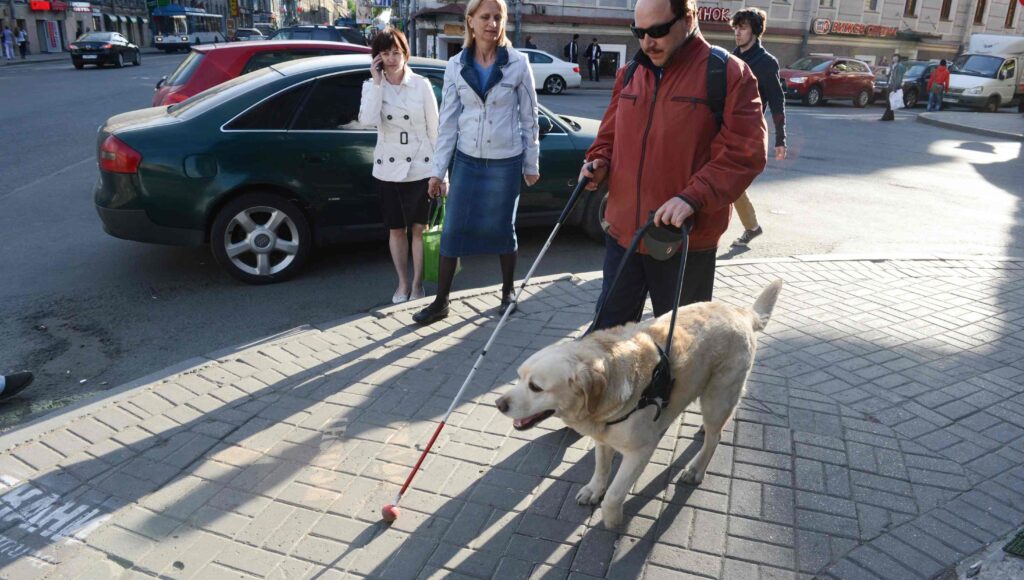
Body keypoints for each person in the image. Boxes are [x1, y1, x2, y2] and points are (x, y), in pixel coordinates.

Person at [580, 0, 766, 331]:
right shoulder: (630, 73)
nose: (647, 42)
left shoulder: (729, 74)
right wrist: (600, 161)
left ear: (688, 18)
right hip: (624, 236)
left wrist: (691, 197)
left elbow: (745, 152)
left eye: (658, 31)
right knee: (605, 342)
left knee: (682, 350)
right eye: (639, 32)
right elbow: (607, 137)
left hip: (684, 243)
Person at [413, 0, 540, 325]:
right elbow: (449, 122)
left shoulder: (517, 63)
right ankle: (440, 302)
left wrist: (531, 163)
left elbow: (530, 118)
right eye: (485, 17)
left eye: (498, 17)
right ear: (470, 21)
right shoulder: (456, 65)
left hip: (505, 162)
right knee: (452, 229)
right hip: (467, 161)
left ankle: (508, 293)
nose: (492, 23)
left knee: (503, 228)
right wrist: (437, 171)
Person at [358, 27, 439, 304]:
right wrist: (377, 83)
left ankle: (417, 285)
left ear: (406, 54)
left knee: (419, 230)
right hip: (388, 170)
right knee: (396, 229)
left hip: (421, 168)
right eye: (385, 53)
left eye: (396, 52)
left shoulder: (422, 85)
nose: (391, 58)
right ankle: (402, 283)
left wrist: (442, 174)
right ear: (377, 57)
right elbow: (367, 120)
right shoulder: (371, 87)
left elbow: (435, 131)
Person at [729, 7, 786, 248]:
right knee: (726, 178)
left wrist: (780, 140)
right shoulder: (733, 56)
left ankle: (751, 226)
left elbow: (777, 101)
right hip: (727, 126)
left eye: (743, 28)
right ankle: (751, 227)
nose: (738, 33)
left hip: (748, 132)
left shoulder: (766, 62)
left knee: (730, 178)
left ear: (755, 31)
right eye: (736, 27)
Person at [881, 54, 905, 121]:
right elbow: (889, 75)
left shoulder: (899, 66)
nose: (894, 59)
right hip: (889, 84)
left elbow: (899, 78)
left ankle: (885, 117)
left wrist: (895, 87)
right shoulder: (891, 65)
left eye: (896, 58)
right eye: (893, 57)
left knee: (889, 102)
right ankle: (891, 117)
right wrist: (886, 73)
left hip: (893, 86)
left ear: (898, 59)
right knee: (889, 102)